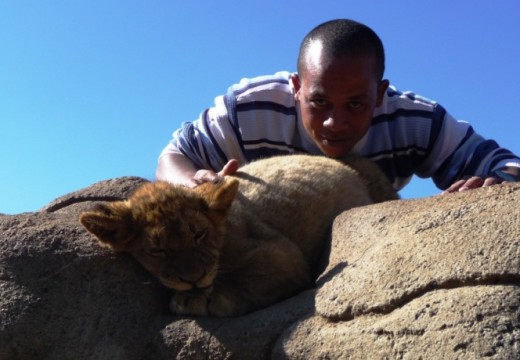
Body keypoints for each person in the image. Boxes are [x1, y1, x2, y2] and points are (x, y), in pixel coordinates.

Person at [156, 19, 520, 194]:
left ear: (380, 95)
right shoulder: (252, 109)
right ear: (297, 88)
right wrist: (191, 182)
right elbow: (172, 158)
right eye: (319, 102)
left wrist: (493, 184)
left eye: (356, 104)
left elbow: (505, 165)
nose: (334, 122)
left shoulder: (415, 121)